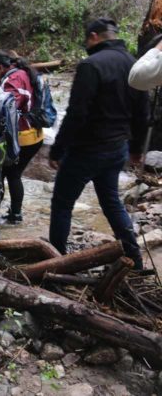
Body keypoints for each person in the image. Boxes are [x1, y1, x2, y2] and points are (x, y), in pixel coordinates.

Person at [48, 18, 150, 269]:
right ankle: (134, 259)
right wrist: (136, 149)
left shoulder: (91, 65)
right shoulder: (134, 63)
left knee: (62, 204)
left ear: (94, 36)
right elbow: (142, 113)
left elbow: (76, 112)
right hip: (117, 149)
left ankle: (55, 260)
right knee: (111, 202)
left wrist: (58, 149)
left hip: (87, 149)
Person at [0, 50, 44, 224]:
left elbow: (8, 109)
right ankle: (13, 214)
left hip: (22, 135)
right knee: (12, 174)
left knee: (7, 174)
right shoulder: (23, 72)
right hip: (34, 134)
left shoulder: (13, 80)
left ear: (0, 67)